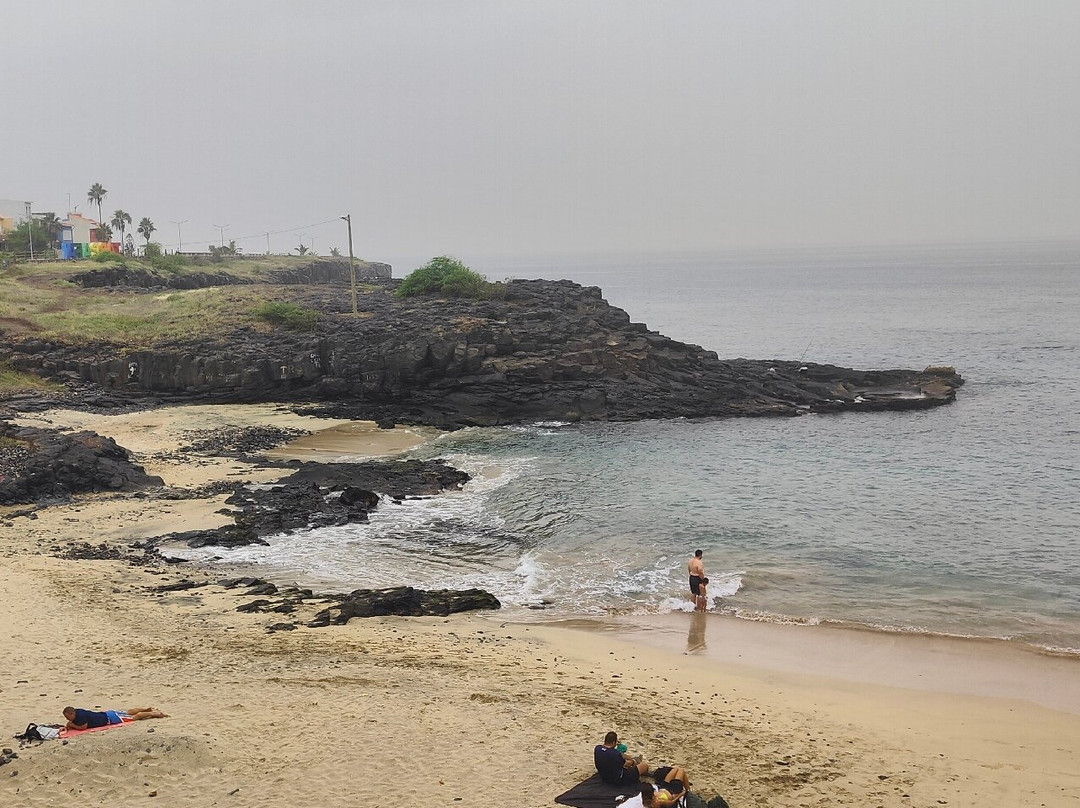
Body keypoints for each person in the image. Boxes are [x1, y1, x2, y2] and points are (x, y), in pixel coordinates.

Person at [63, 705, 168, 730]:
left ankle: (155, 714)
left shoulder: (80, 717)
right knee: (128, 712)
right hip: (108, 713)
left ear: (72, 714)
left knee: (134, 717)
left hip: (110, 719)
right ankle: (146, 709)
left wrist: (71, 725)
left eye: (68, 718)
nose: (68, 720)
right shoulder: (78, 711)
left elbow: (83, 727)